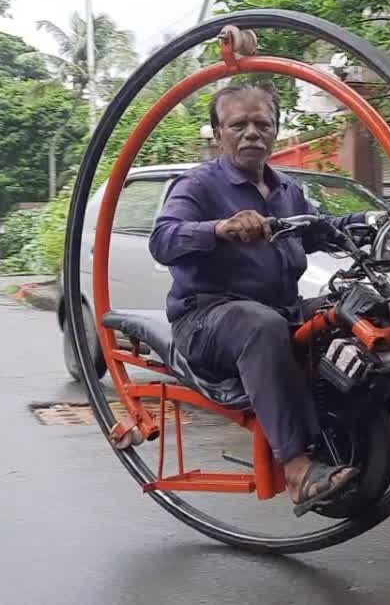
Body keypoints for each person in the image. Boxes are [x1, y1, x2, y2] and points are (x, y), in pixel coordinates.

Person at [149, 79, 375, 516]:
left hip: (279, 310)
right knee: (261, 324)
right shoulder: (197, 186)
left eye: (261, 123)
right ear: (218, 134)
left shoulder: (287, 190)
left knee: (354, 312)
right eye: (238, 125)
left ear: (274, 130)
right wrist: (220, 228)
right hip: (207, 319)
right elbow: (163, 239)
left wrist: (372, 220)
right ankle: (296, 468)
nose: (251, 133)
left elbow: (322, 228)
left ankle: (382, 431)